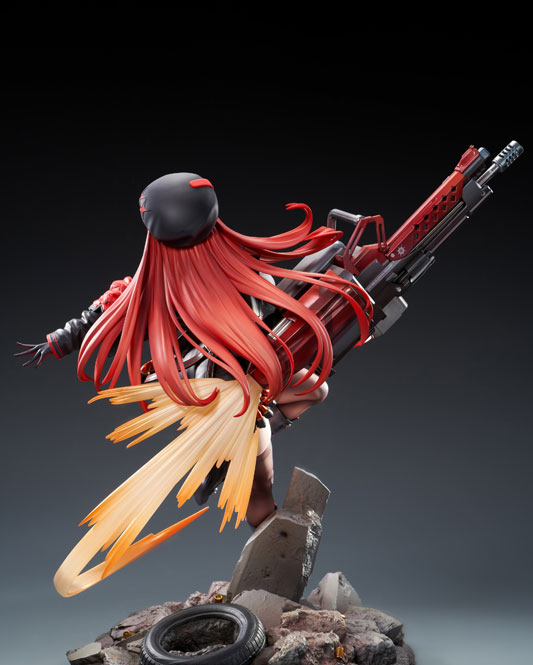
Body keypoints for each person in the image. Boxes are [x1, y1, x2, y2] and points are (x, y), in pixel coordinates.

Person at [16, 172, 372, 595]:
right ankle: (266, 560)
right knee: (260, 491)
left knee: (314, 389)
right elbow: (104, 312)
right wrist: (60, 340)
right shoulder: (152, 292)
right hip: (218, 398)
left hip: (257, 377)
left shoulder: (237, 269)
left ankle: (239, 449)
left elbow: (277, 296)